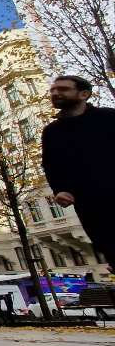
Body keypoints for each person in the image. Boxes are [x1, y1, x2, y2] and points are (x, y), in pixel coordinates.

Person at [41, 75, 115, 267]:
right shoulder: (52, 132)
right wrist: (60, 189)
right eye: (53, 90)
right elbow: (51, 165)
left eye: (63, 89)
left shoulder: (109, 118)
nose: (55, 93)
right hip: (92, 208)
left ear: (84, 94)